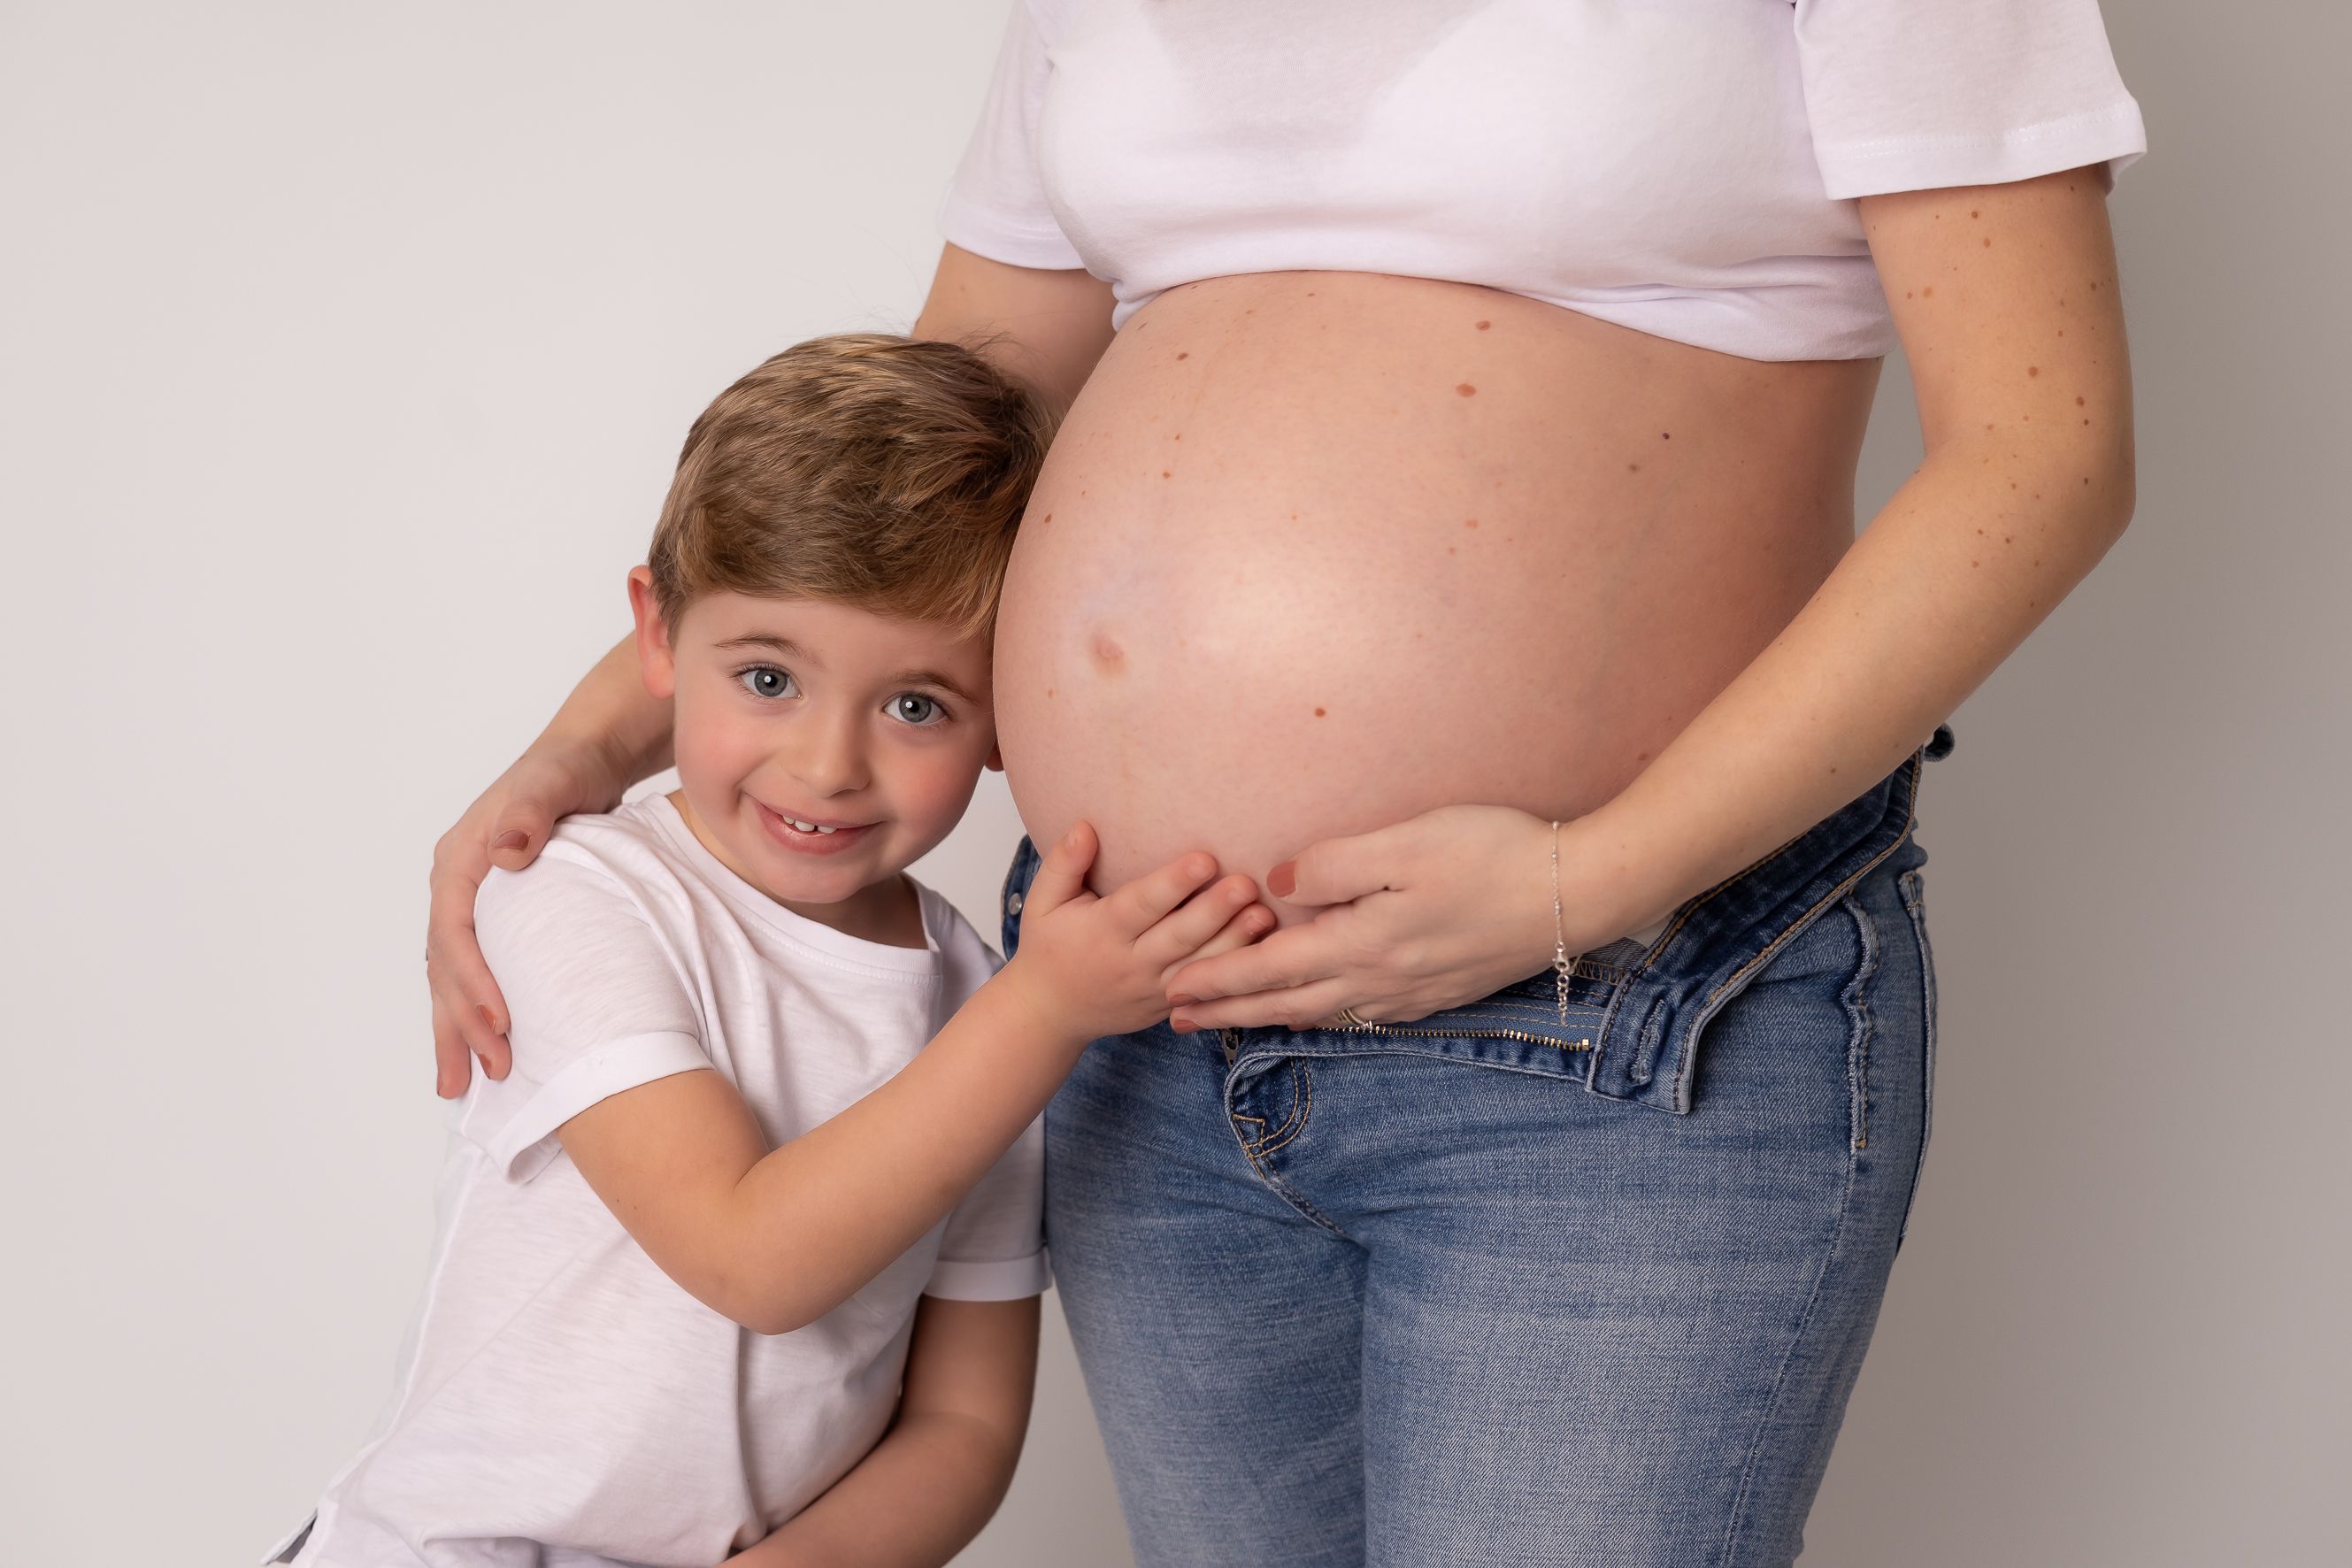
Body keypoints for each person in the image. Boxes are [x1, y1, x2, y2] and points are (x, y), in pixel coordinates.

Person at [425, 4, 2148, 1564]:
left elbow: (2044, 451)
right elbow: (911, 466)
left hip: (1617, 1009)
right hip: (1135, 1016)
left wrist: (1587, 880)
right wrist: (586, 748)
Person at [271, 335, 1272, 1568]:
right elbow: (748, 1259)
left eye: (916, 705)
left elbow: (963, 1425)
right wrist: (1044, 1013)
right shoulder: (581, 896)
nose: (827, 765)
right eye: (766, 678)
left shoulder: (980, 992)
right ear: (658, 634)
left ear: (1017, 709)